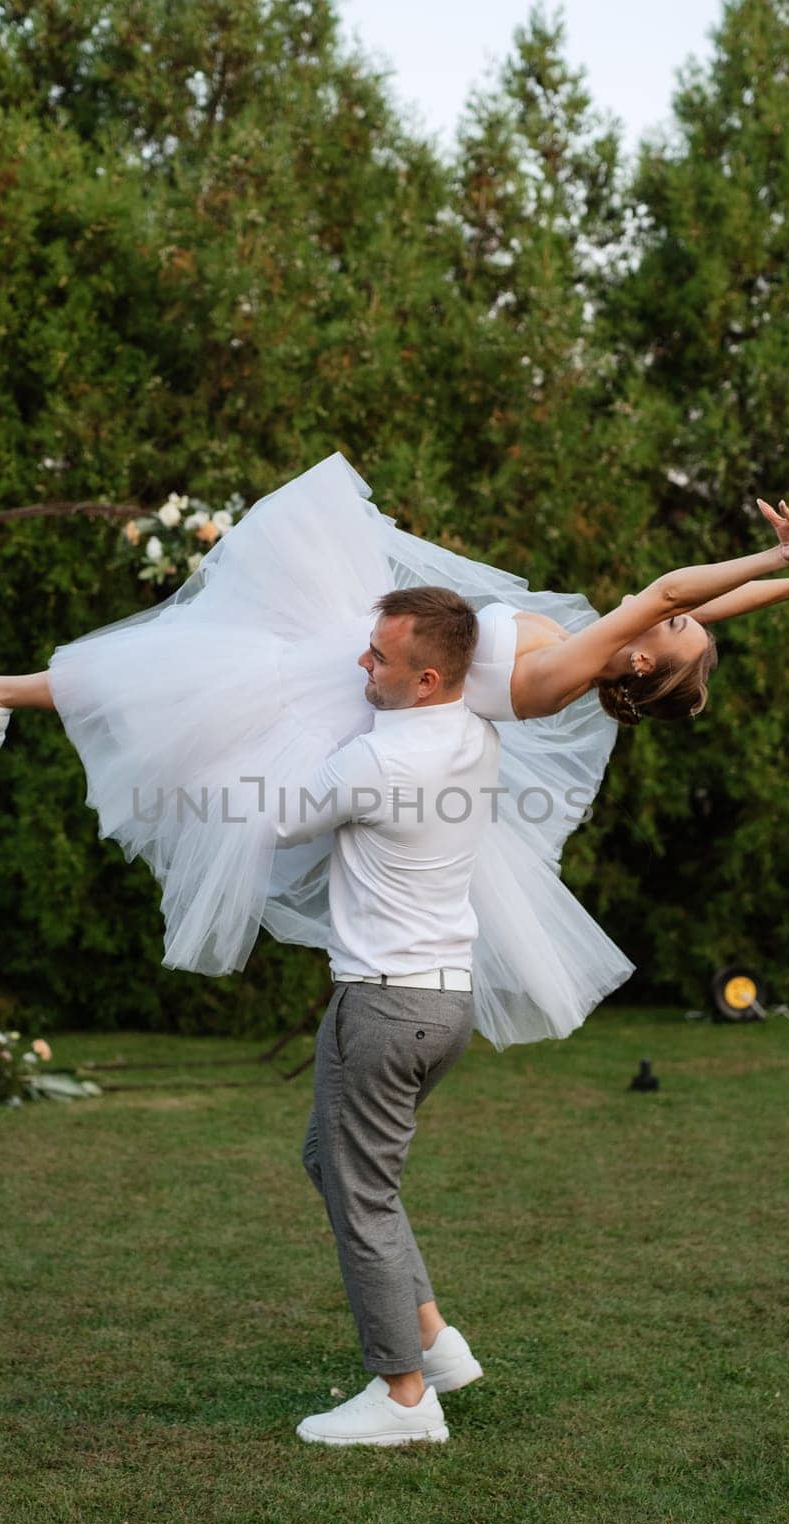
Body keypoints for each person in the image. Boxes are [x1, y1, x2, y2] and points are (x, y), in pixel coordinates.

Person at [0, 455, 789, 1047]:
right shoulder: (602, 652)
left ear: (643, 654)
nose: (678, 614)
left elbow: (676, 586)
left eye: (674, 629)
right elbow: (696, 609)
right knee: (163, 668)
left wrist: (767, 558)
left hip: (352, 682)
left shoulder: (574, 670)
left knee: (165, 673)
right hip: (368, 659)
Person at [276, 585, 497, 1446]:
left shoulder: (374, 762)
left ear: (429, 676)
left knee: (361, 1193)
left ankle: (403, 1397)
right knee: (330, 1164)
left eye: (379, 658)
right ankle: (434, 1341)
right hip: (446, 1003)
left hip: (383, 1004)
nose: (361, 665)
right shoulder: (475, 733)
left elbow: (278, 823)